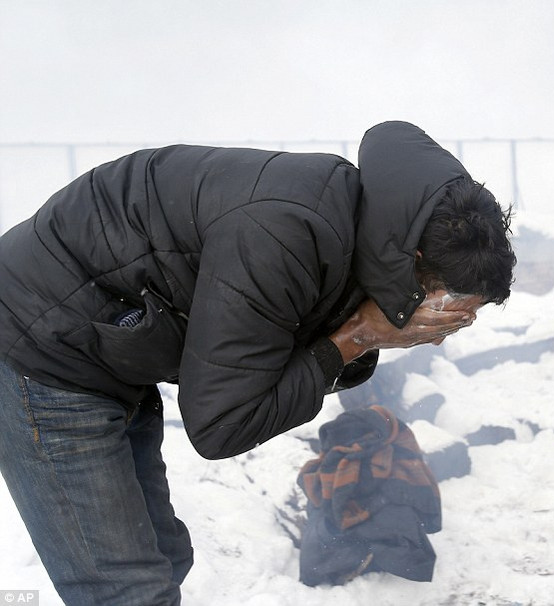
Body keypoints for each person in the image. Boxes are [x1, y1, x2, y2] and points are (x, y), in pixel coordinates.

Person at [0, 120, 516, 605]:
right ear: (417, 264)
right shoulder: (285, 235)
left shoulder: (370, 234)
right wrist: (358, 336)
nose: (441, 335)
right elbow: (221, 425)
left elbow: (278, 354)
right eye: (449, 311)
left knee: (164, 557)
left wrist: (363, 331)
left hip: (108, 348)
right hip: (42, 350)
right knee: (126, 589)